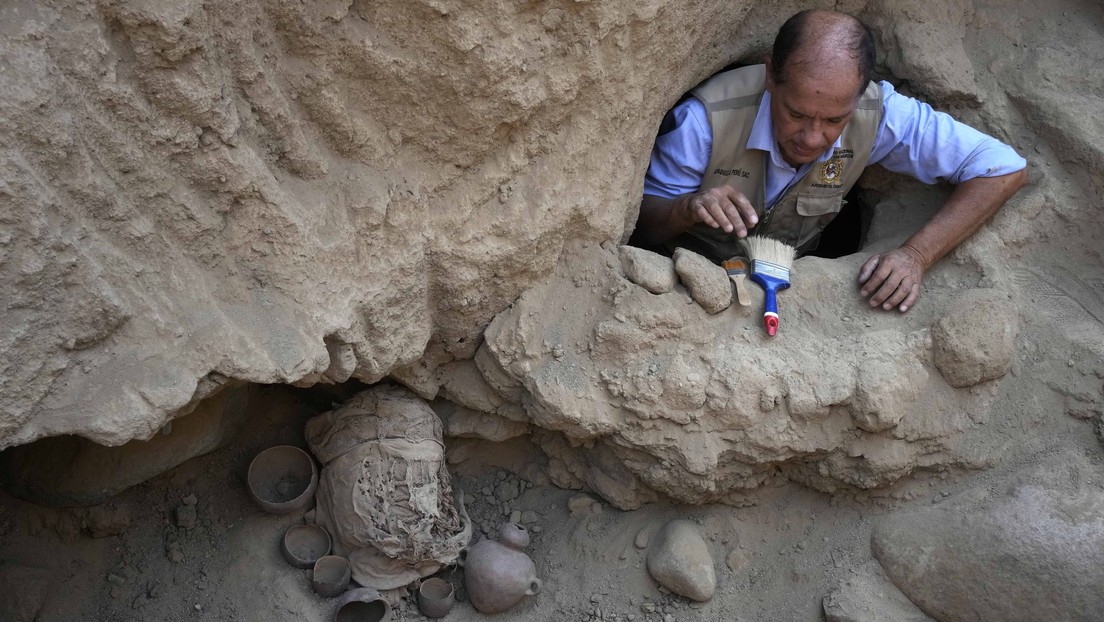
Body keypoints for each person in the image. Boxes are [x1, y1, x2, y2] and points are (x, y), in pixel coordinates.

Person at [634, 9, 1027, 313]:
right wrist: (686, 208)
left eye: (835, 120)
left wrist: (916, 255)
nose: (812, 137)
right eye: (796, 113)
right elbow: (643, 225)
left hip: (793, 290)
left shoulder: (878, 112)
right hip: (686, 292)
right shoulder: (705, 119)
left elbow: (1001, 168)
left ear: (859, 95)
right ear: (771, 75)